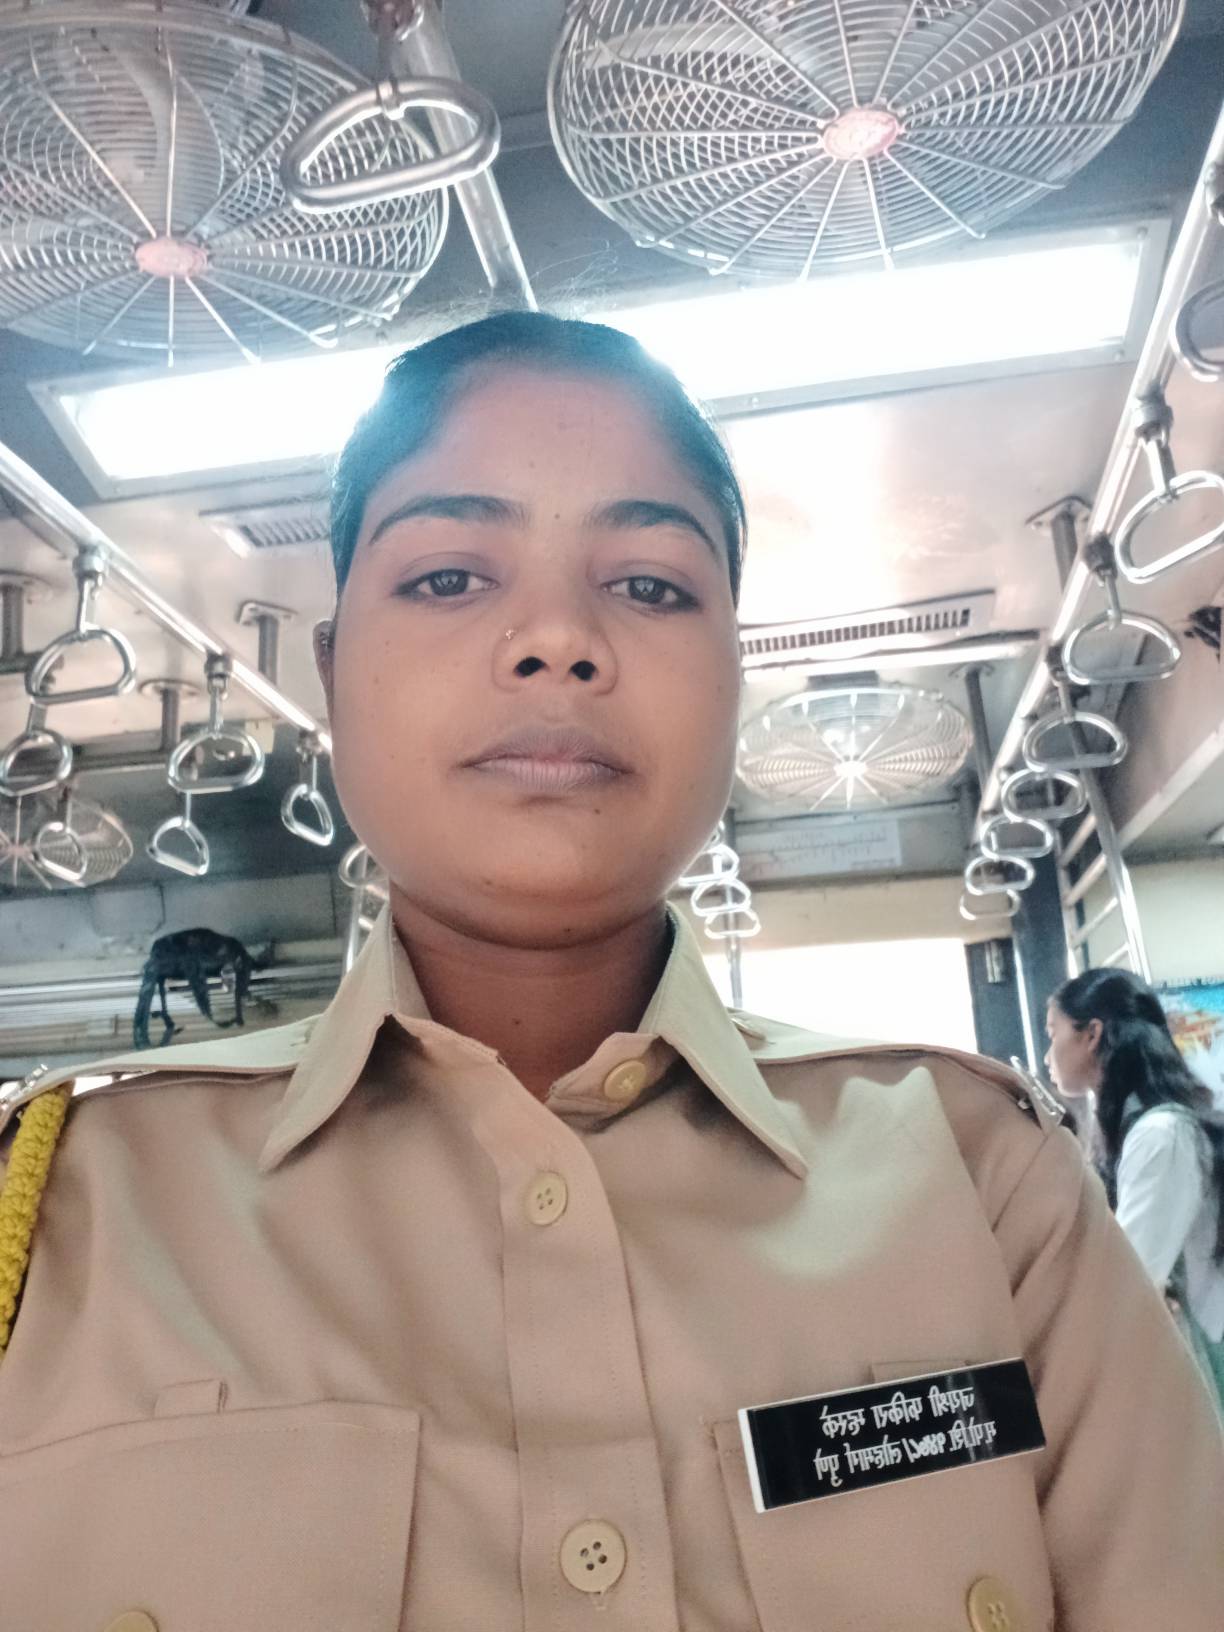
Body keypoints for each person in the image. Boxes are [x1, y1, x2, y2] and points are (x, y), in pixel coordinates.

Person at [0, 314, 1220, 1632]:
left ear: (733, 672)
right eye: (449, 576)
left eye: (649, 585)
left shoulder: (988, 1188)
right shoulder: (59, 1215)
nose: (557, 639)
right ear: (335, 674)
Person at [1046, 966, 1224, 1412]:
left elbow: (1131, 1279)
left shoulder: (1161, 1135)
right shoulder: (1147, 1128)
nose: (1048, 1055)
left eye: (1053, 1032)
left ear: (1092, 1035)